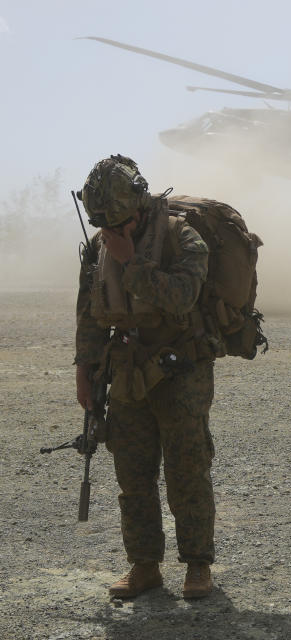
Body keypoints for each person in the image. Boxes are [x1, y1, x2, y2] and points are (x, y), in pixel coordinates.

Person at [74, 155, 217, 599]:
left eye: (118, 222)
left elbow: (181, 297)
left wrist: (131, 262)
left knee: (187, 468)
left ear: (139, 206)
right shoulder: (98, 246)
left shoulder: (183, 237)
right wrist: (85, 372)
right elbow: (89, 315)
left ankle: (197, 566)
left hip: (181, 370)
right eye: (103, 224)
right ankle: (144, 566)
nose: (111, 232)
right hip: (128, 372)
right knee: (132, 474)